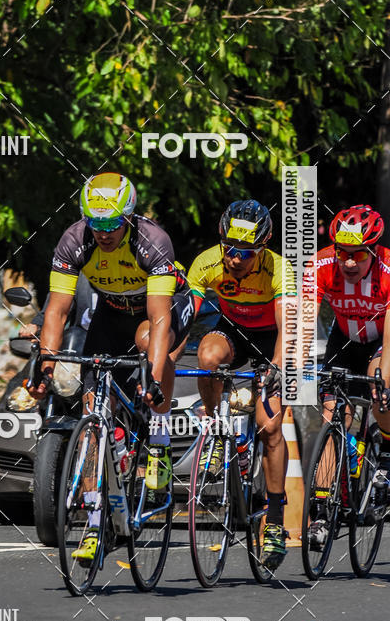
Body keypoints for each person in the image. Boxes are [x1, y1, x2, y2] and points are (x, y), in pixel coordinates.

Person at [27, 172, 193, 564]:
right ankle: (93, 520)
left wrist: (152, 380)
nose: (102, 232)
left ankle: (160, 439)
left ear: (130, 217)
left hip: (162, 310)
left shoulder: (153, 242)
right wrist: (45, 367)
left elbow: (159, 319)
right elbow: (57, 309)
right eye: (95, 222)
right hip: (112, 311)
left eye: (112, 224)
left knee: (149, 344)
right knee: (92, 416)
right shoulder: (74, 239)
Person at [186, 199, 297, 571]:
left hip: (271, 339)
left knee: (270, 429)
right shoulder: (205, 262)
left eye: (246, 253)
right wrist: (164, 360)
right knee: (207, 357)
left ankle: (277, 522)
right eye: (230, 250)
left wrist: (278, 367)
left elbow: (287, 328)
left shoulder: (279, 269)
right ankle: (217, 432)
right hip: (234, 328)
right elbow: (185, 318)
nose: (235, 259)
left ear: (262, 248)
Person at [302, 205, 390, 542]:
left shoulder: (387, 270)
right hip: (345, 339)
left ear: (374, 250)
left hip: (383, 339)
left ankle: (385, 458)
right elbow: (305, 318)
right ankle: (322, 511)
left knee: (380, 385)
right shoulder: (321, 264)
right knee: (331, 414)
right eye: (343, 253)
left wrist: (384, 375)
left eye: (358, 255)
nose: (349, 262)